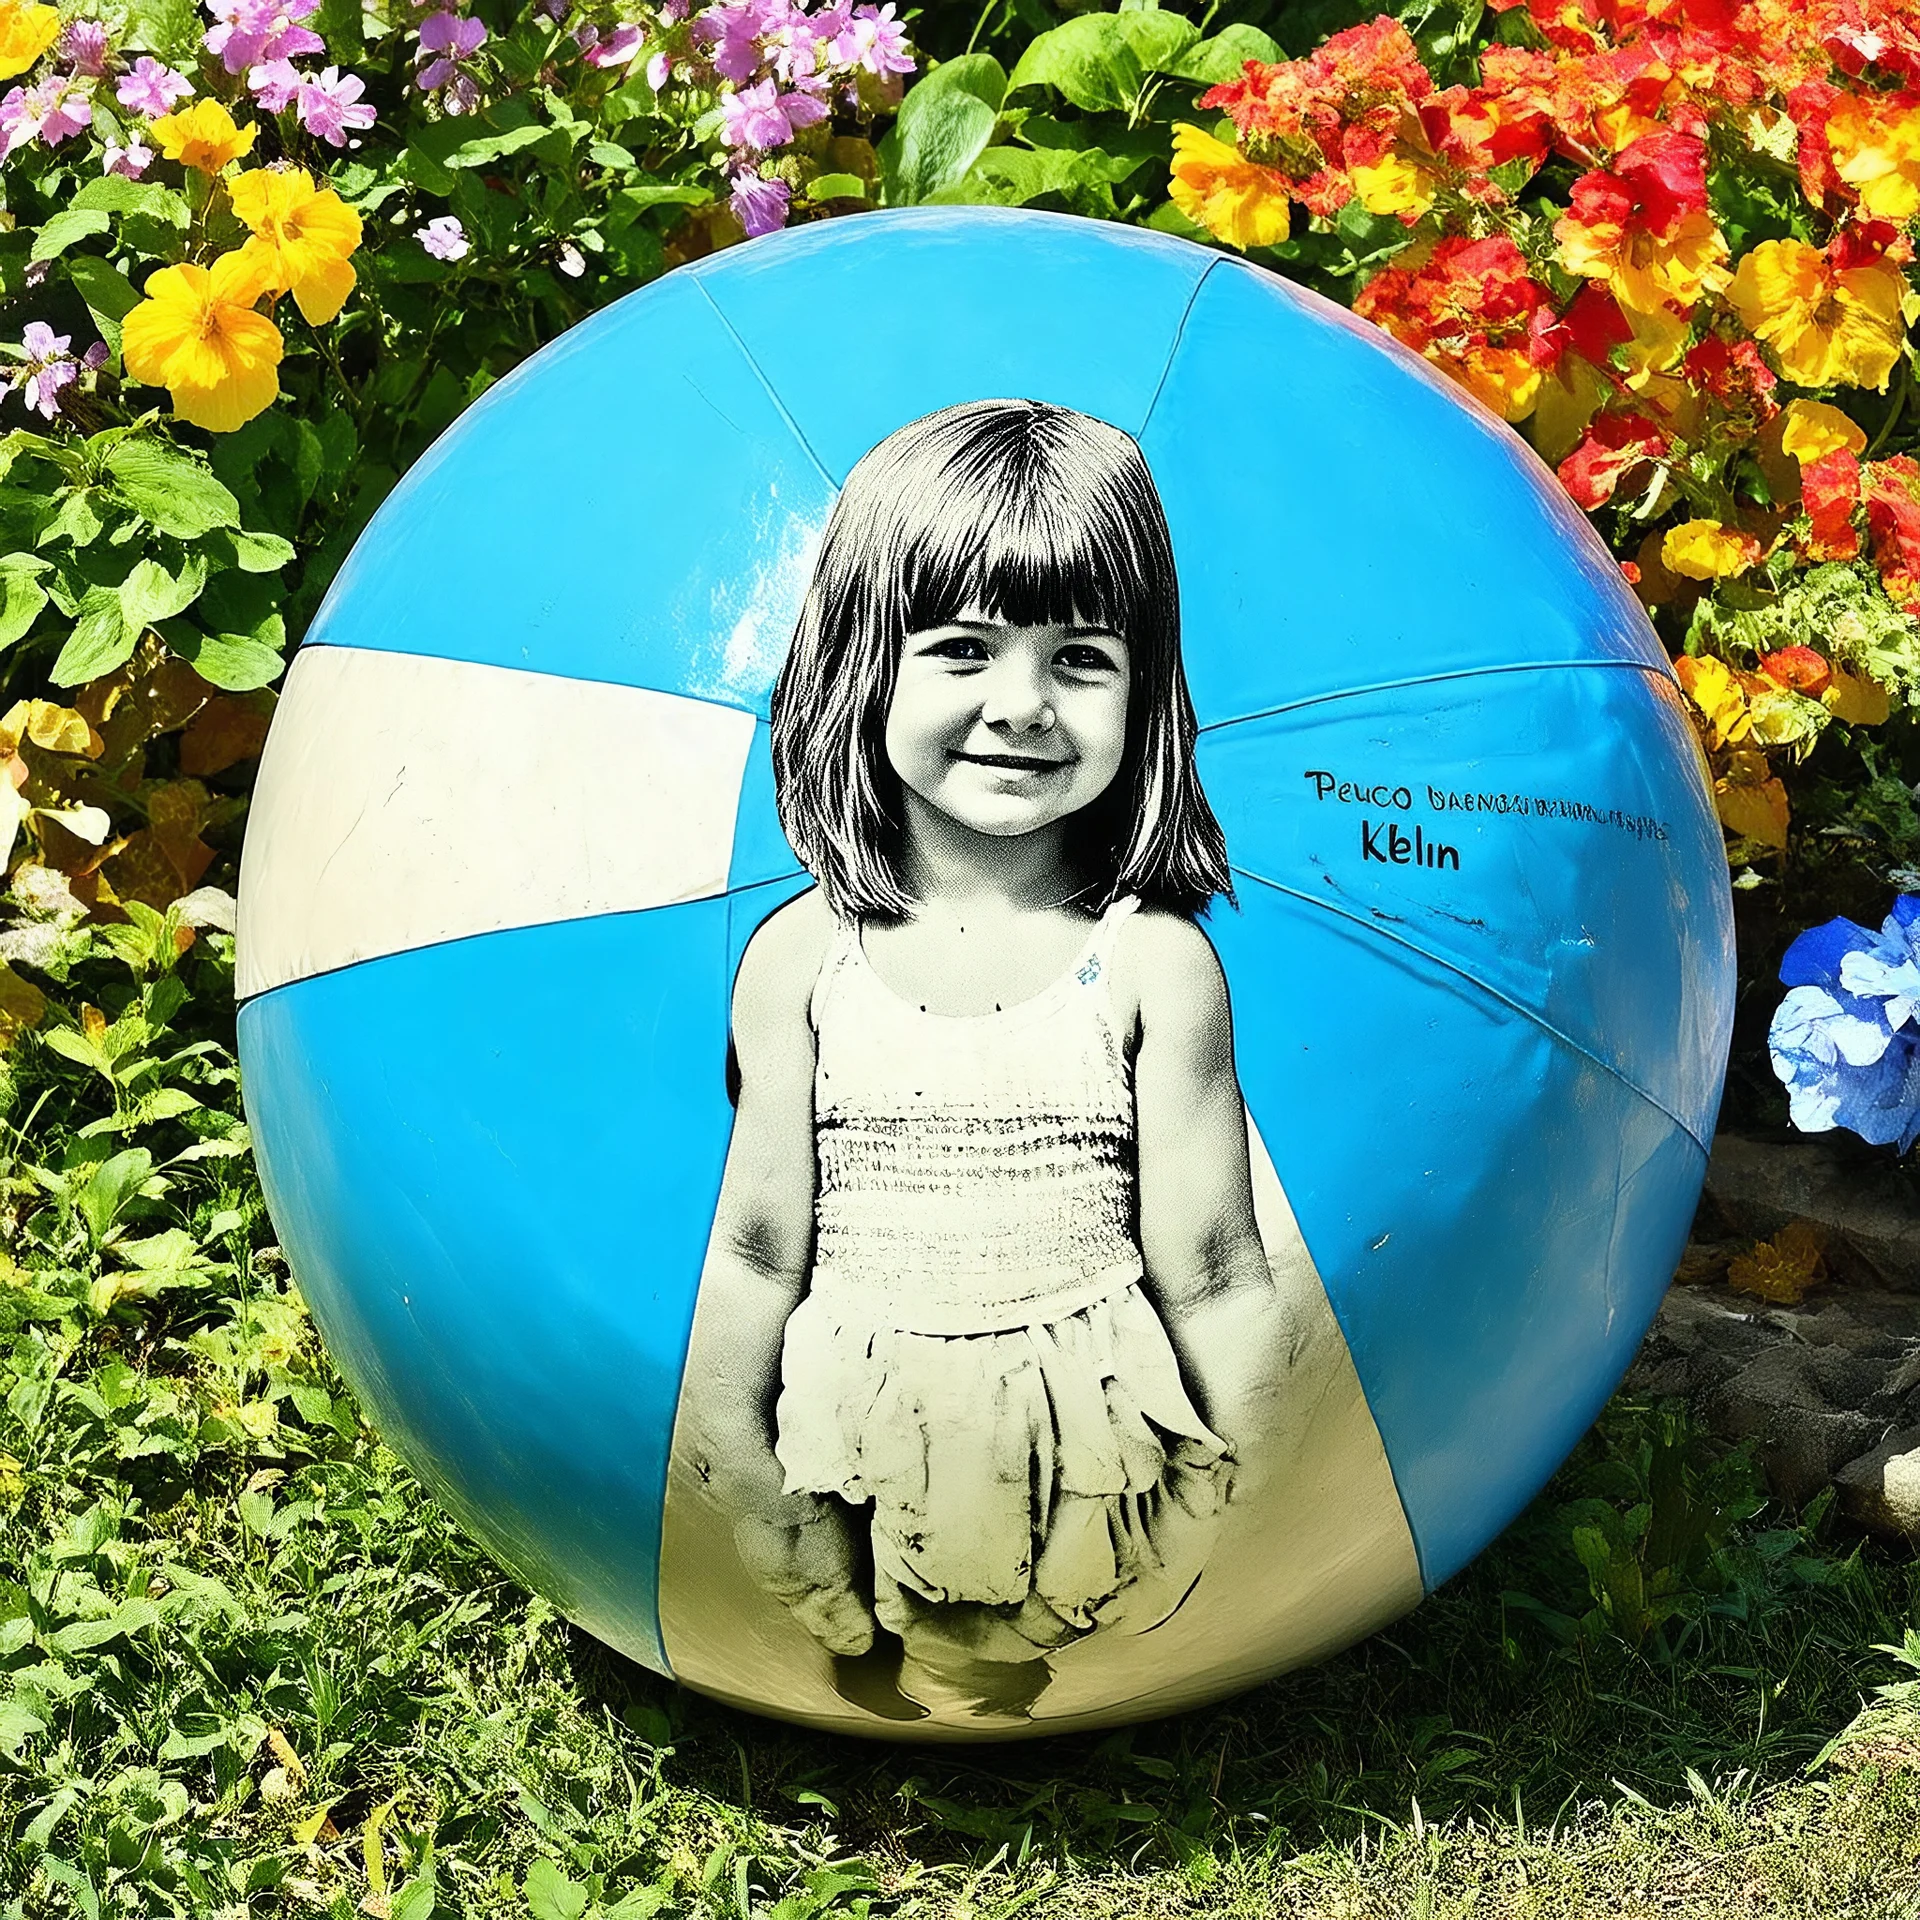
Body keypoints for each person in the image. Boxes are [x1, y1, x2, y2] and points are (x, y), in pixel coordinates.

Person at [675, 398, 1288, 1720]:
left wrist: (1253, 1488)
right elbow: (761, 1251)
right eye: (963, 648)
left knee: (1006, 1674)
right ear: (859, 666)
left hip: (1078, 1428)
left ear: (1147, 690)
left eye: (1082, 658)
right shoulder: (802, 959)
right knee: (847, 1651)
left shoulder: (1150, 965)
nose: (1022, 705)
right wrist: (726, 1445)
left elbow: (1216, 1271)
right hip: (861, 1415)